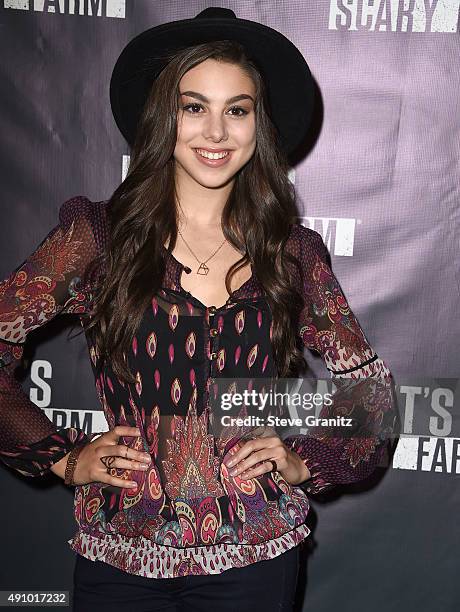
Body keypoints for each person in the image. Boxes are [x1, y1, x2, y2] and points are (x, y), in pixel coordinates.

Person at [0, 7, 398, 612]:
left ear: (258, 126)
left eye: (237, 110)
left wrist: (302, 460)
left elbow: (370, 392)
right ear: (165, 118)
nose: (216, 131)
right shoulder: (100, 240)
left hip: (256, 558)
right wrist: (64, 456)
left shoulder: (291, 253)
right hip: (120, 555)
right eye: (194, 107)